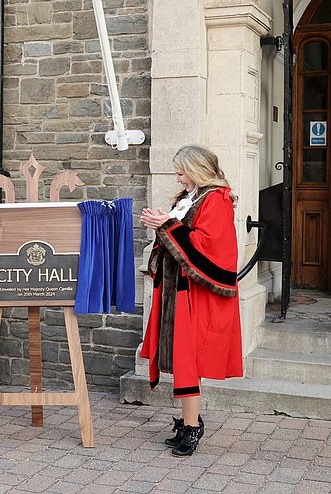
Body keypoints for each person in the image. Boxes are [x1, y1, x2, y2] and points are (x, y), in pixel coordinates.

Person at [139, 145, 242, 456]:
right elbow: (182, 236)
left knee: (189, 358)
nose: (177, 175)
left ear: (197, 168)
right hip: (177, 290)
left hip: (196, 293)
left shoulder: (215, 199)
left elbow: (209, 245)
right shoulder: (190, 198)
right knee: (184, 359)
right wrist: (164, 225)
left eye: (181, 170)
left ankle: (192, 427)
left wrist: (167, 226)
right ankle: (188, 423)